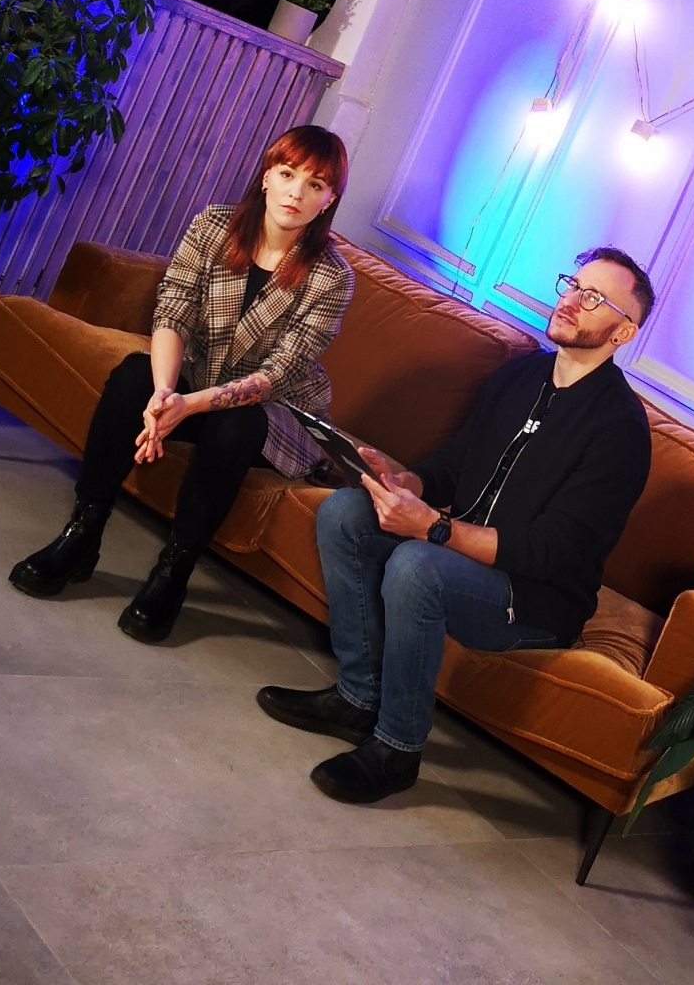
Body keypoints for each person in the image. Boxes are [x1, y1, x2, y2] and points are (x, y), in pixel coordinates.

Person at [256, 247, 655, 804]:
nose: (570, 300)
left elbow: (551, 552)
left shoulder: (621, 430)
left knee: (417, 566)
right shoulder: (519, 375)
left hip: (535, 600)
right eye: (573, 284)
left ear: (624, 332)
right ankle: (357, 697)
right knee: (344, 513)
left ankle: (397, 748)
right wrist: (403, 481)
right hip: (460, 554)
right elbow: (455, 463)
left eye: (594, 298)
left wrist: (434, 531)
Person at [8, 125, 355, 643]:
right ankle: (82, 533)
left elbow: (276, 374)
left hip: (270, 410)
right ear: (266, 176)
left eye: (316, 184)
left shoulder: (332, 276)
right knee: (133, 375)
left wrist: (187, 406)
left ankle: (173, 570)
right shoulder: (214, 226)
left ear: (330, 199)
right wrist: (163, 394)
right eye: (287, 174)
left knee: (236, 423)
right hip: (198, 375)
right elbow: (172, 310)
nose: (296, 193)